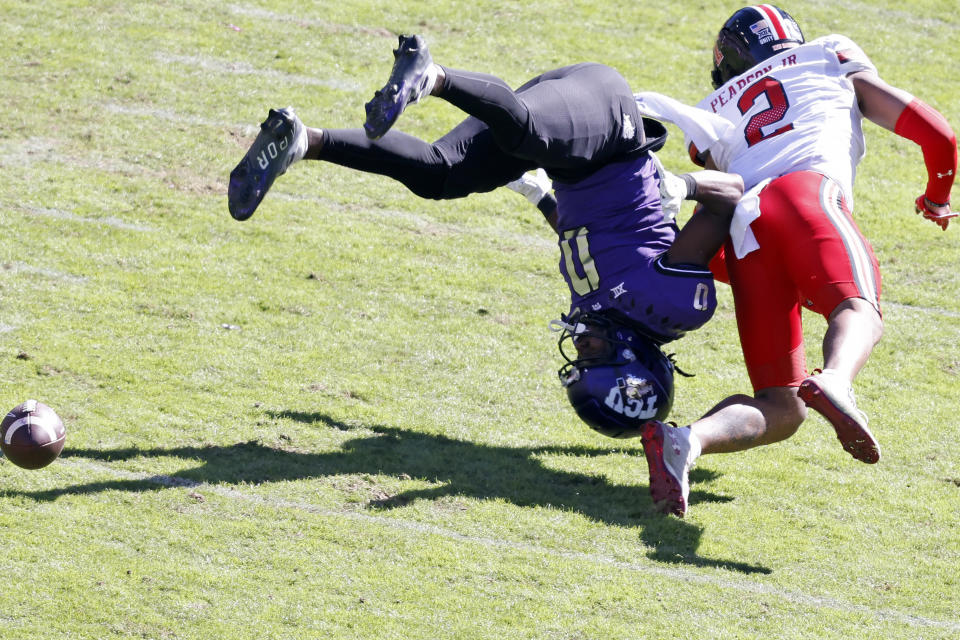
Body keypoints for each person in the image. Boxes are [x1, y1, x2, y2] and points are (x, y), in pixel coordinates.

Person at [228, 35, 743, 441]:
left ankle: (303, 141)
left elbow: (587, 239)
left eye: (579, 360)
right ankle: (432, 76)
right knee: (527, 136)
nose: (580, 347)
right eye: (592, 358)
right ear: (631, 358)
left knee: (440, 175)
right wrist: (686, 185)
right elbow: (732, 196)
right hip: (609, 126)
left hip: (565, 152)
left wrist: (539, 197)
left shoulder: (599, 308)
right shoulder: (672, 306)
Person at [632, 5, 958, 516]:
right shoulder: (826, 55)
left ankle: (684, 443)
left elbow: (711, 227)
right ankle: (837, 379)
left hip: (745, 232)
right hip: (807, 195)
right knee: (859, 310)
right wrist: (937, 195)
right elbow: (939, 136)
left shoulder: (713, 108)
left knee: (782, 405)